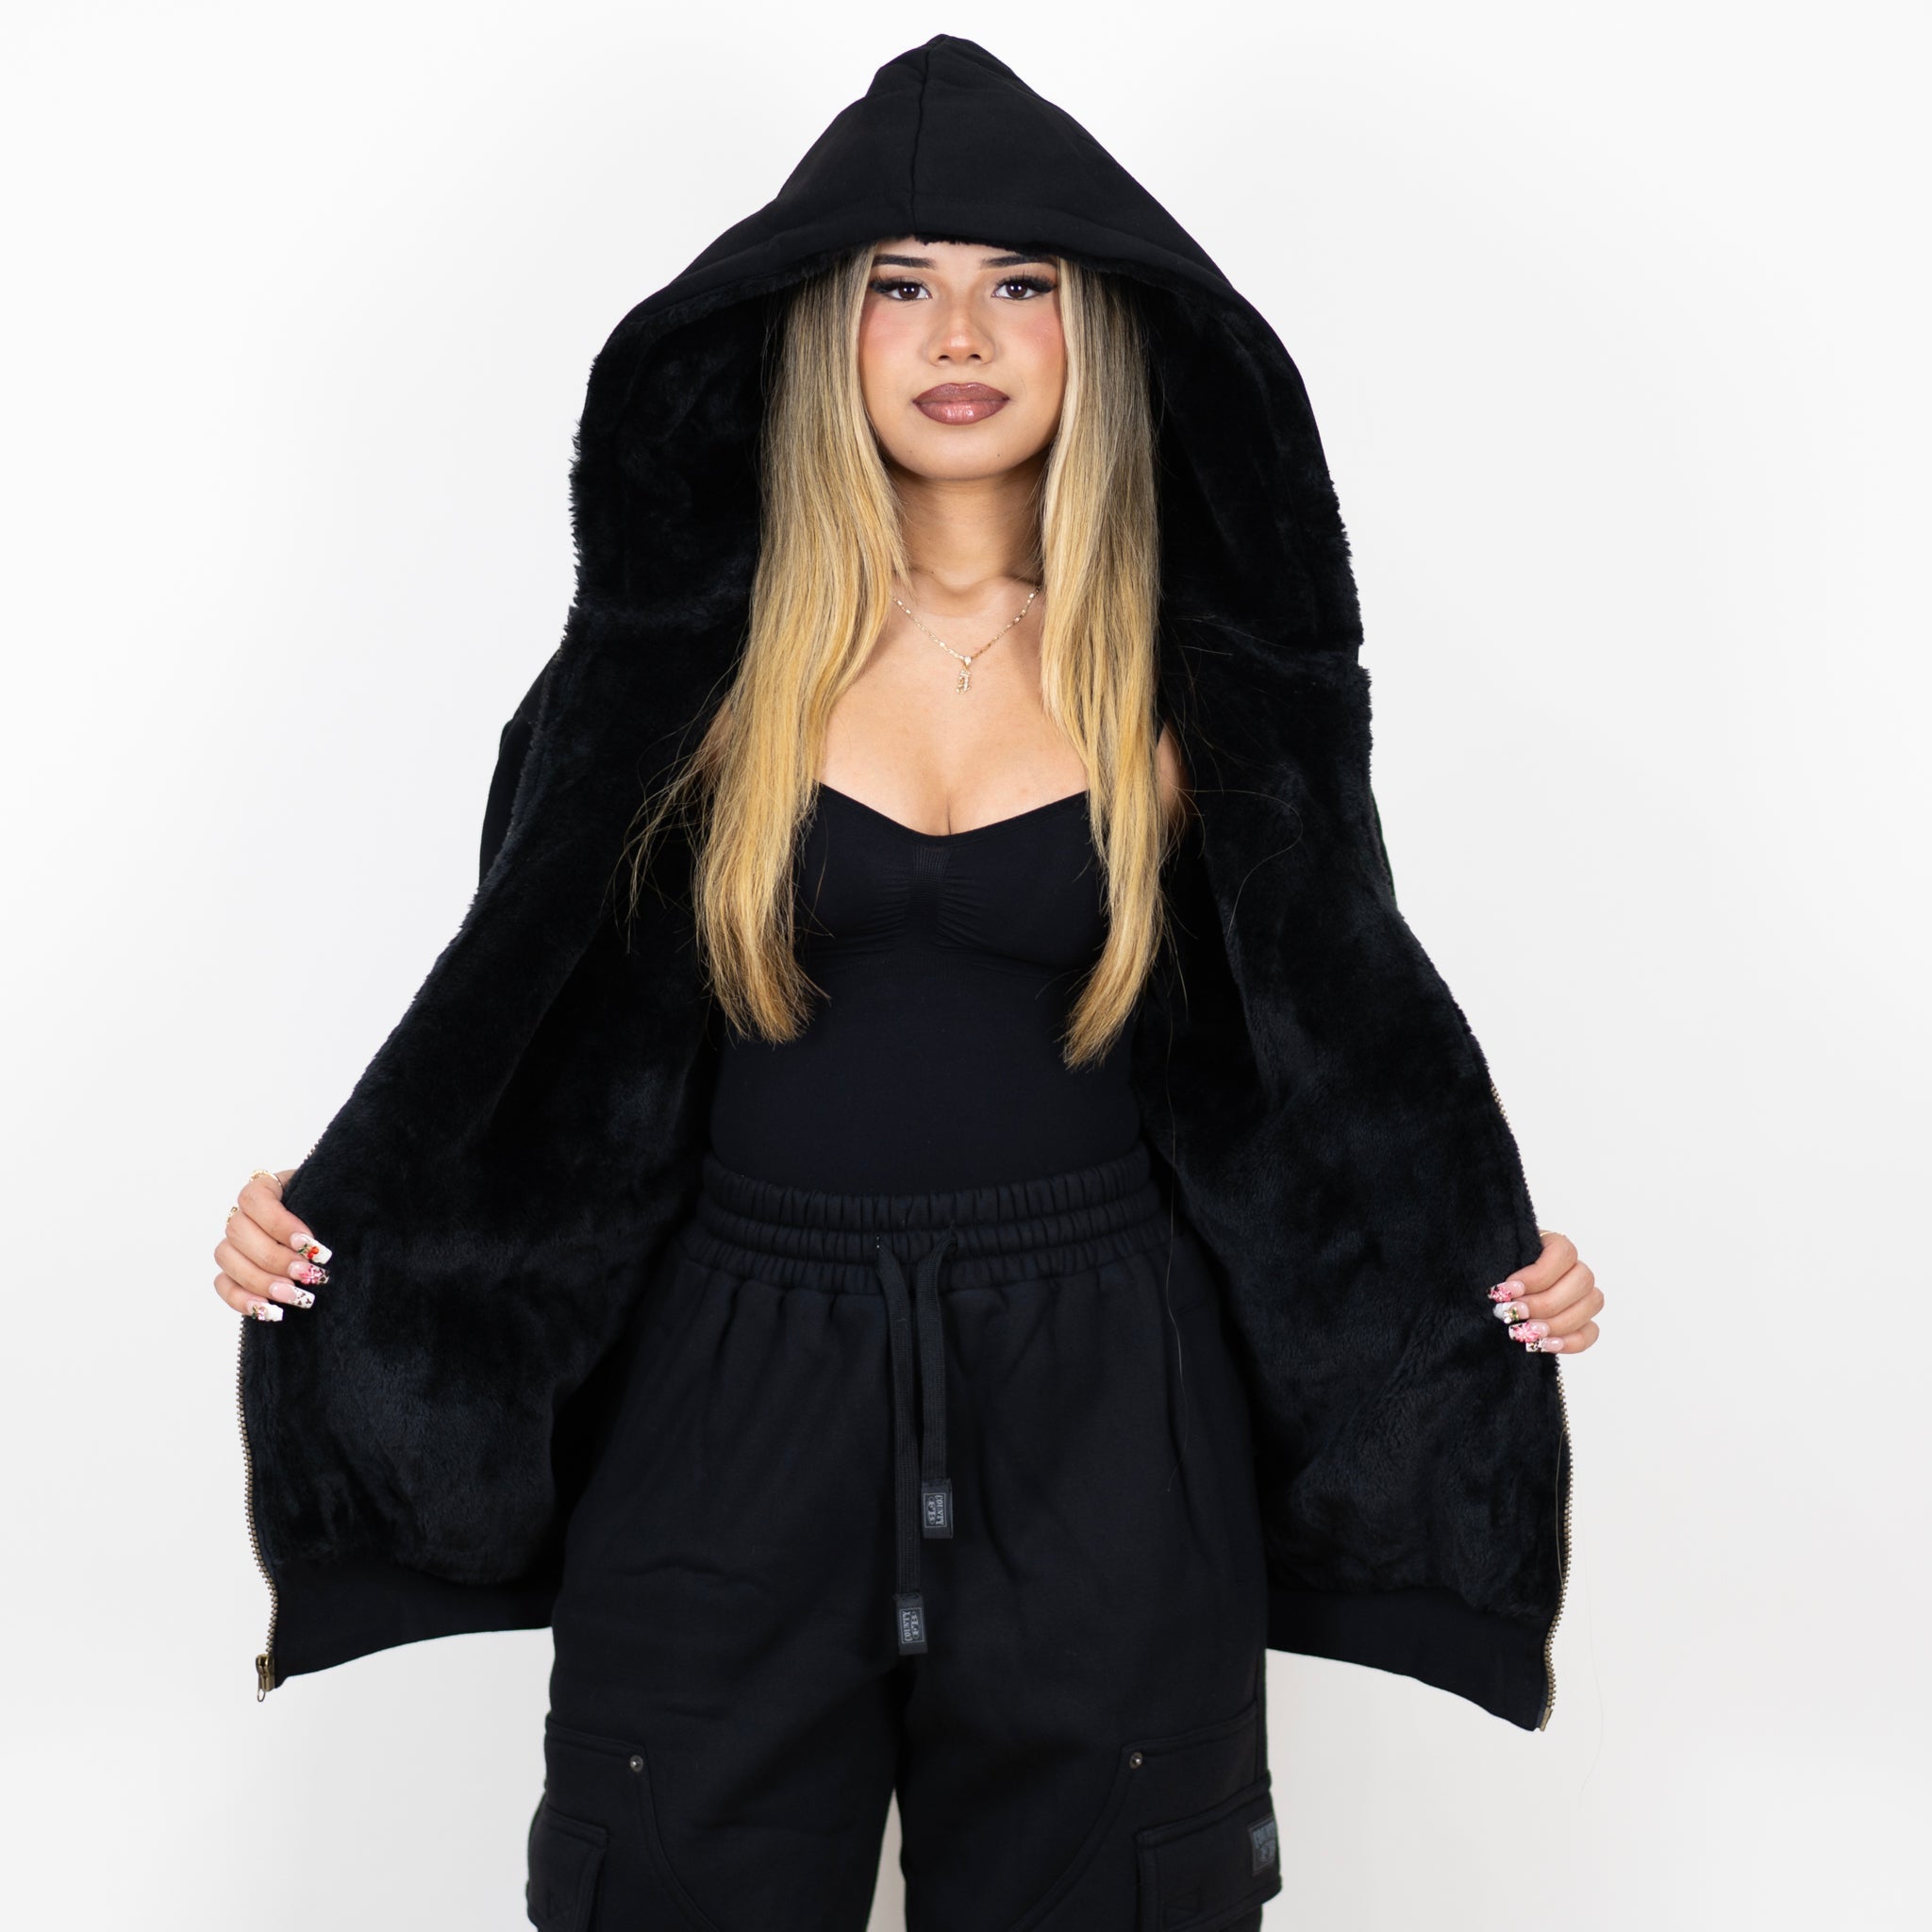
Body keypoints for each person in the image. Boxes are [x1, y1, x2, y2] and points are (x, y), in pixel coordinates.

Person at [215, 35, 1604, 1931]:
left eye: (1020, 284)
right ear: (822, 329)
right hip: (732, 1388)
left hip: (1109, 1396)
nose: (961, 333)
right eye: (899, 285)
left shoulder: (1205, 687)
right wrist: (345, 1218)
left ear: (1097, 329)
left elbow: (1339, 1047)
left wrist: (1473, 1257)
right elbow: (521, 1040)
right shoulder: (677, 677)